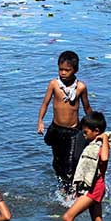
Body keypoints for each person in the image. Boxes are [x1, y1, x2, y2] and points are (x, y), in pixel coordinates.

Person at [37, 50, 92, 193]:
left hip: (73, 130)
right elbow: (45, 104)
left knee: (71, 161)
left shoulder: (80, 87)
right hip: (56, 128)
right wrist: (40, 121)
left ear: (75, 70)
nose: (63, 73)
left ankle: (72, 190)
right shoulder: (54, 84)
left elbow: (86, 107)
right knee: (57, 161)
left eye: (67, 70)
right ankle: (62, 187)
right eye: (60, 69)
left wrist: (93, 126)